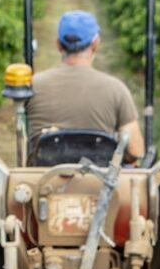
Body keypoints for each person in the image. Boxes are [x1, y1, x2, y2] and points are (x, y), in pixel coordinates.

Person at [25, 10, 145, 161]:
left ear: (58, 44)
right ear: (96, 43)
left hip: (43, 181)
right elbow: (135, 151)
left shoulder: (33, 85)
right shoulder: (116, 90)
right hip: (100, 183)